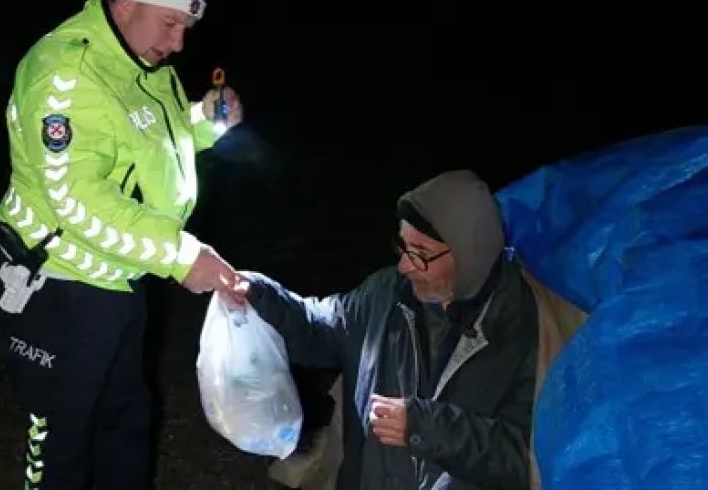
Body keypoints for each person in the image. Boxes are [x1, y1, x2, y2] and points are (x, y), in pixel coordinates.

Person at [0, 0, 248, 489]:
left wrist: (206, 120)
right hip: (62, 287)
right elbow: (78, 201)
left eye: (186, 28)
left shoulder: (141, 63)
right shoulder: (68, 75)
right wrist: (181, 256)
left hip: (119, 280)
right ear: (126, 2)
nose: (179, 44)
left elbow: (156, 140)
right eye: (170, 24)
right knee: (63, 441)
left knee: (126, 421)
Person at [238, 170, 586, 490]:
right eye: (402, 247)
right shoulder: (385, 295)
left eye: (420, 254)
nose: (404, 266)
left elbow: (525, 459)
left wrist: (427, 428)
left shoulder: (526, 330)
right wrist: (257, 294)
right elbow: (318, 326)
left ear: (470, 254)